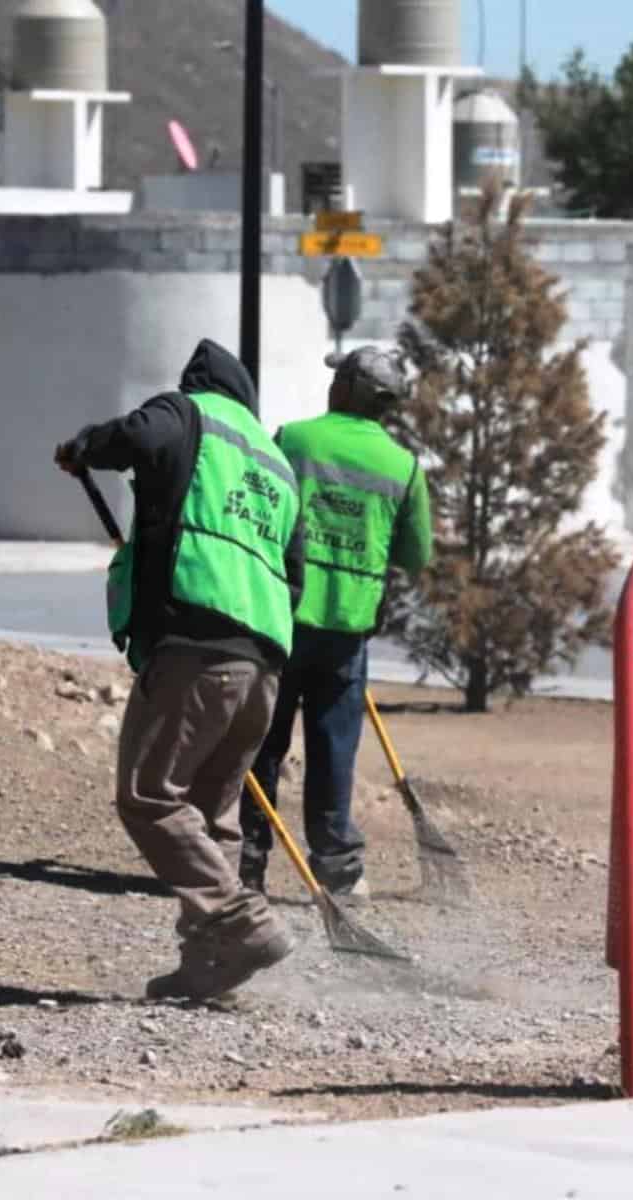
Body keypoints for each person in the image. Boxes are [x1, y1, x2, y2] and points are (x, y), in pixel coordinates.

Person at [54, 338, 305, 1000]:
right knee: (211, 816)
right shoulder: (276, 464)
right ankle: (209, 965)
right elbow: (295, 576)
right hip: (264, 665)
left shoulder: (188, 412)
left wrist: (85, 446)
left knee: (148, 794)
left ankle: (240, 921)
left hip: (197, 641)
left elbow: (138, 436)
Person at [241, 347, 433, 898]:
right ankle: (338, 869)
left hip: (281, 619)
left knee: (261, 743)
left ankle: (246, 863)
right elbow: (416, 555)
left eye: (337, 377)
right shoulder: (403, 467)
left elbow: (258, 507)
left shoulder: (295, 439)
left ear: (346, 388)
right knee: (333, 752)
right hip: (346, 633)